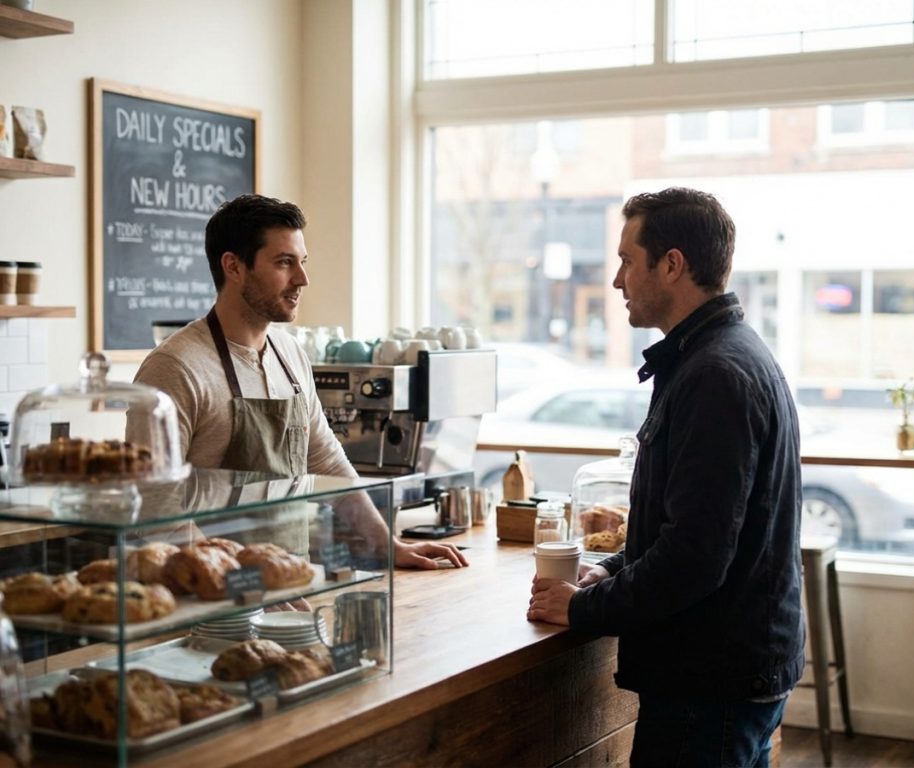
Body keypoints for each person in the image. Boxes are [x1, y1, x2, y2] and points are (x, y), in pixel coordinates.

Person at [528, 187, 804, 767]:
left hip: (710, 681)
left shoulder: (714, 375)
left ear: (672, 264)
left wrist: (581, 609)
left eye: (628, 260)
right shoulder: (717, 357)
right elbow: (683, 529)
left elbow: (695, 557)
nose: (617, 281)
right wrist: (607, 570)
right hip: (729, 672)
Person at [134, 193, 467, 571]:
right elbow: (156, 504)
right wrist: (233, 580)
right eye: (284, 263)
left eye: (302, 262)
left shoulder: (290, 355)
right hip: (211, 598)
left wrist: (388, 546)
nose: (302, 279)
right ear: (234, 266)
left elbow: (326, 460)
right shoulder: (175, 367)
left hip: (290, 584)